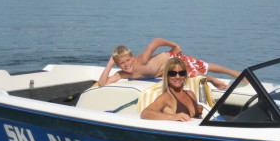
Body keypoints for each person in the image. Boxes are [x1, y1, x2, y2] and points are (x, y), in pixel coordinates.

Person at [98, 38, 240, 89]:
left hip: (171, 59)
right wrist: (109, 64)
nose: (126, 64)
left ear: (133, 57)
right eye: (121, 63)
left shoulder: (141, 59)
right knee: (194, 74)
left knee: (202, 66)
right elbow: (102, 83)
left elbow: (156, 41)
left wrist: (174, 46)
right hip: (164, 72)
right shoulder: (121, 74)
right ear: (118, 65)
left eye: (128, 60)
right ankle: (213, 80)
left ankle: (230, 73)